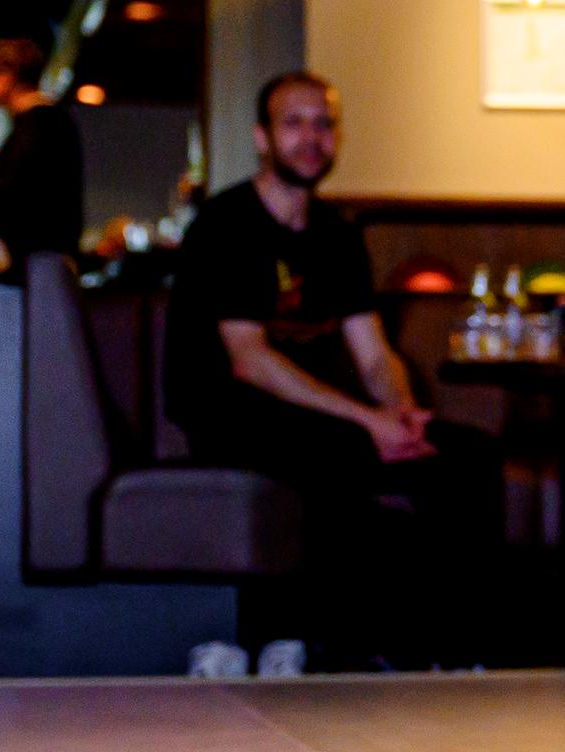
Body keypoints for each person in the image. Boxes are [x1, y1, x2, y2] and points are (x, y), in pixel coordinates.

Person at [163, 71, 501, 675]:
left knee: (468, 459)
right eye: (293, 123)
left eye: (323, 123)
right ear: (262, 138)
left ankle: (456, 653)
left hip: (316, 412)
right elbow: (250, 359)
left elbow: (372, 354)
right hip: (226, 411)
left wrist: (401, 413)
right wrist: (367, 421)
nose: (311, 138)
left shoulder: (338, 236)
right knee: (340, 453)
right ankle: (327, 646)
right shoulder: (226, 224)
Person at [0, 35, 84, 265]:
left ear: (9, 76)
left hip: (29, 252)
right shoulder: (47, 121)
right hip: (36, 252)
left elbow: (19, 184)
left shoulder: (40, 122)